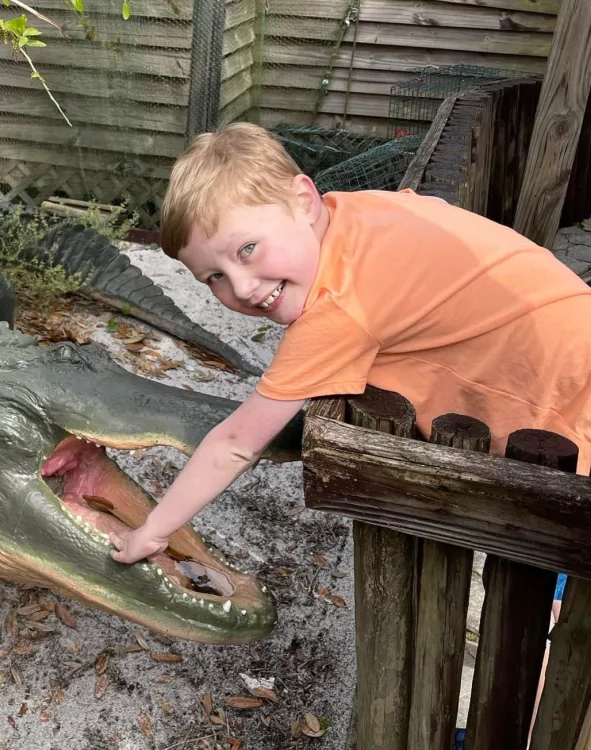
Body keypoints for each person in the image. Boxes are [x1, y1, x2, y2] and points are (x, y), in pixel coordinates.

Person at [108, 121, 591, 565]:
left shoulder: (337, 307)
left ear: (303, 200)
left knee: (558, 542)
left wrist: (152, 531)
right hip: (575, 321)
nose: (244, 288)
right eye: (214, 276)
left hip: (564, 389)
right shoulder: (357, 211)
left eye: (247, 250)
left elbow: (235, 444)